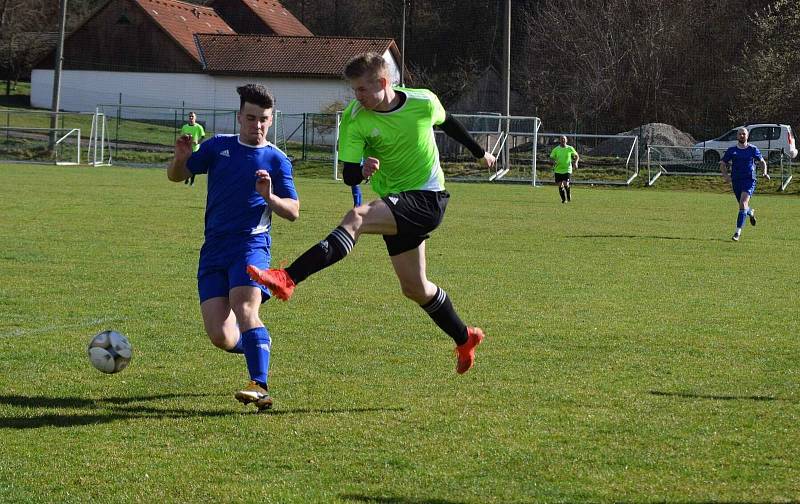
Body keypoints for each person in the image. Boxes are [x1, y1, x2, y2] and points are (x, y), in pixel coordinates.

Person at [248, 52, 496, 374]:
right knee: (415, 288)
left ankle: (288, 277)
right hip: (395, 201)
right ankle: (465, 337)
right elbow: (349, 173)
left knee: (358, 217)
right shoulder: (355, 118)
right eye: (354, 90)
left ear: (383, 82)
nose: (357, 97)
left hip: (428, 198)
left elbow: (449, 123)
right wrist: (362, 170)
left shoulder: (422, 103)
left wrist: (481, 153)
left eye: (362, 89)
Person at [167, 84, 299, 410]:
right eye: (251, 118)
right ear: (239, 117)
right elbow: (175, 176)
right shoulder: (217, 147)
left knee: (245, 309)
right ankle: (259, 345)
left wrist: (269, 197)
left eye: (264, 120)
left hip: (251, 246)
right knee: (220, 336)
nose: (257, 125)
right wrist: (180, 158)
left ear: (272, 120)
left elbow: (293, 212)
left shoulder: (277, 159)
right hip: (213, 250)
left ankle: (260, 384)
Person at [719, 126, 769, 242]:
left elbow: (762, 161)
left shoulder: (752, 149)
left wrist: (764, 172)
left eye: (744, 134)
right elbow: (722, 163)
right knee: (743, 207)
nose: (742, 135)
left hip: (749, 180)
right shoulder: (732, 150)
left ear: (747, 136)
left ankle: (737, 233)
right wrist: (726, 176)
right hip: (736, 180)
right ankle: (750, 212)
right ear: (737, 136)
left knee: (743, 203)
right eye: (740, 134)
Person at [549, 135, 579, 203]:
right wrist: (553, 161)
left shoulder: (570, 148)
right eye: (561, 139)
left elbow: (577, 156)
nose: (563, 140)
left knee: (566, 183)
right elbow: (551, 157)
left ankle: (568, 195)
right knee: (560, 185)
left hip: (567, 169)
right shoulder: (556, 149)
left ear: (566, 140)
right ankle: (563, 199)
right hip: (558, 170)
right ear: (559, 140)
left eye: (564, 139)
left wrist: (576, 163)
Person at [180, 112, 206, 186]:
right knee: (186, 165)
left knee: (193, 166)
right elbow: (181, 137)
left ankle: (192, 181)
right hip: (186, 149)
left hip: (195, 150)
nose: (191, 118)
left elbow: (203, 136)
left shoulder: (199, 127)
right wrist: (185, 137)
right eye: (190, 116)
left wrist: (198, 142)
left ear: (195, 118)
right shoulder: (185, 127)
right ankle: (187, 178)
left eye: (192, 116)